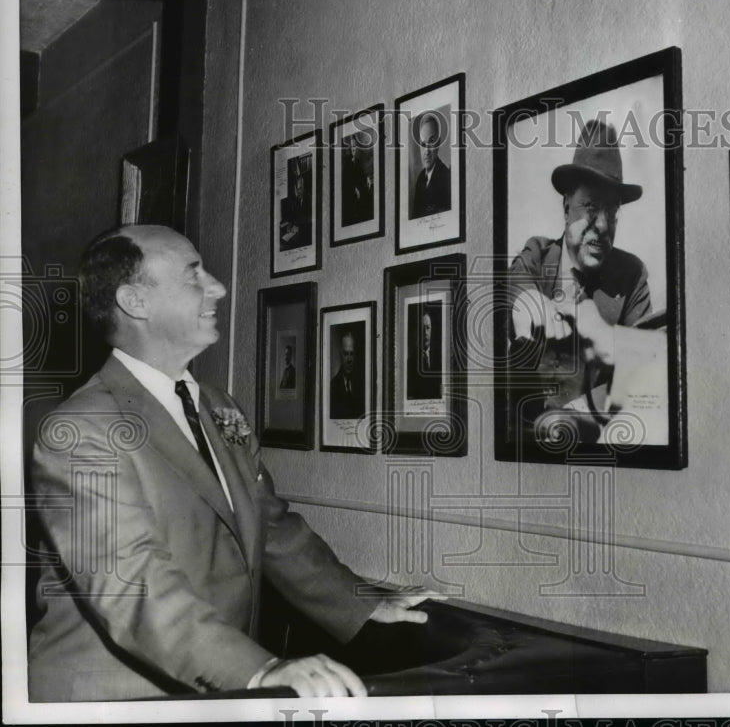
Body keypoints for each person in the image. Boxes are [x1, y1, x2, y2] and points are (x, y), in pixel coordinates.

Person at [28, 225, 439, 702]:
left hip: (209, 693)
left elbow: (272, 528)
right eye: (193, 274)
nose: (218, 286)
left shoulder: (219, 408)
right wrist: (259, 670)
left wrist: (364, 604)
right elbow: (130, 583)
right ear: (135, 302)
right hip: (114, 701)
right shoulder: (82, 428)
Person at [507, 119, 654, 443]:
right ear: (565, 207)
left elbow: (648, 365)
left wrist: (582, 413)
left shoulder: (630, 275)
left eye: (612, 212)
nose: (603, 225)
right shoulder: (536, 256)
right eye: (590, 207)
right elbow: (512, 283)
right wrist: (526, 302)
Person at [410, 113, 451, 219]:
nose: (426, 151)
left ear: (439, 143)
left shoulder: (446, 177)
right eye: (423, 144)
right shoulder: (420, 179)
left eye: (431, 141)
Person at [406, 307, 442, 400]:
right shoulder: (410, 363)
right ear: (417, 331)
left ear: (431, 329)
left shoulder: (440, 359)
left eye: (428, 328)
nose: (425, 332)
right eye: (422, 328)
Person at [329, 329, 364, 419]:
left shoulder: (363, 384)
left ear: (355, 355)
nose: (349, 359)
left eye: (351, 354)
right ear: (340, 354)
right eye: (345, 354)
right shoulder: (333, 386)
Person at [341, 135, 374, 227]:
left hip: (359, 188)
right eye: (351, 148)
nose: (353, 150)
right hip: (350, 192)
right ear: (349, 149)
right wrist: (354, 189)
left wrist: (367, 177)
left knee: (368, 193)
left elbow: (362, 173)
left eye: (354, 147)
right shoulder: (346, 162)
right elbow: (346, 180)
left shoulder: (358, 161)